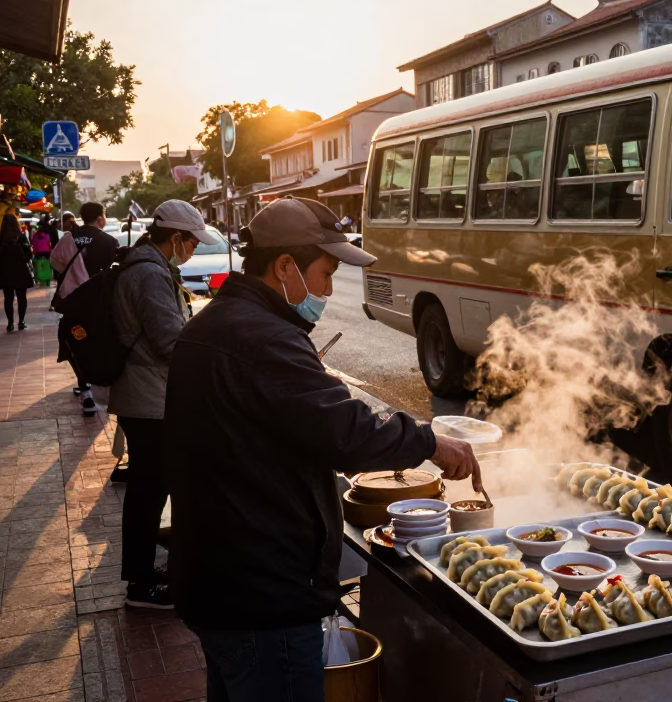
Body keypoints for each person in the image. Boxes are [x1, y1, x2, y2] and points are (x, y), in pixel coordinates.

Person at [163, 196, 481, 700]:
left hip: (219, 579)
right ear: (286, 266)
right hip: (261, 594)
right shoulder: (264, 338)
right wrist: (429, 441)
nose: (330, 289)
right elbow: (347, 433)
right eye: (327, 273)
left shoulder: (222, 323)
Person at [111, 200, 220, 610]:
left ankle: (143, 574)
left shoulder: (146, 267)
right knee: (147, 492)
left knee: (150, 489)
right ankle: (141, 585)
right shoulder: (150, 274)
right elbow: (168, 341)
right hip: (148, 398)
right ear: (175, 238)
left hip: (146, 395)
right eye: (191, 243)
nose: (192, 250)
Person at [51, 203, 121, 417]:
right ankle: (102, 387)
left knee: (76, 342)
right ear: (100, 219)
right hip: (100, 305)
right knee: (99, 342)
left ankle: (86, 388)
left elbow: (57, 265)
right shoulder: (110, 242)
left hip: (74, 303)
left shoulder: (67, 238)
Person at [0, 215, 34, 331]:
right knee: (21, 297)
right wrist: (23, 260)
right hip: (20, 269)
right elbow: (29, 253)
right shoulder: (21, 236)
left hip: (5, 270)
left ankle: (10, 323)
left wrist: (2, 259)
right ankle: (21, 321)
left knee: (8, 297)